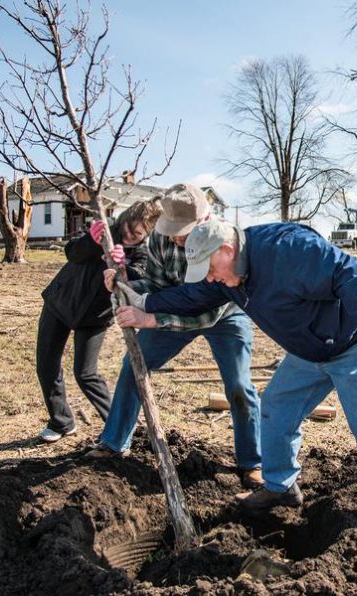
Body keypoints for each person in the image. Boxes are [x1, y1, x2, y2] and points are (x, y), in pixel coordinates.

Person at [112, 219, 357, 584]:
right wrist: (145, 303)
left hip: (353, 346)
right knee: (276, 411)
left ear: (228, 250)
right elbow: (195, 296)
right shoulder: (228, 276)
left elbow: (351, 273)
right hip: (308, 353)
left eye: (212, 270)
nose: (212, 278)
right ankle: (281, 486)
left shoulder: (286, 249)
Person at [89, 183, 263, 490]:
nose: (176, 238)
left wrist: (152, 319)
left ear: (203, 219)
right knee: (134, 363)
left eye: (182, 232)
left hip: (224, 316)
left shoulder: (222, 240)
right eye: (172, 230)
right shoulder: (160, 238)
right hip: (170, 311)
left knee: (238, 385)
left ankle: (253, 462)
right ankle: (114, 442)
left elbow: (206, 312)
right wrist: (123, 286)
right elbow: (154, 287)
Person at [35, 198, 162, 442]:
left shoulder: (142, 253)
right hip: (61, 301)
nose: (128, 235)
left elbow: (137, 280)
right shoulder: (105, 229)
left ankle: (121, 426)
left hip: (95, 316)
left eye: (137, 234)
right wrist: (92, 242)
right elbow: (72, 253)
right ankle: (61, 422)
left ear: (146, 234)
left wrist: (123, 268)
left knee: (86, 373)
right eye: (127, 228)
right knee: (46, 365)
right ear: (124, 219)